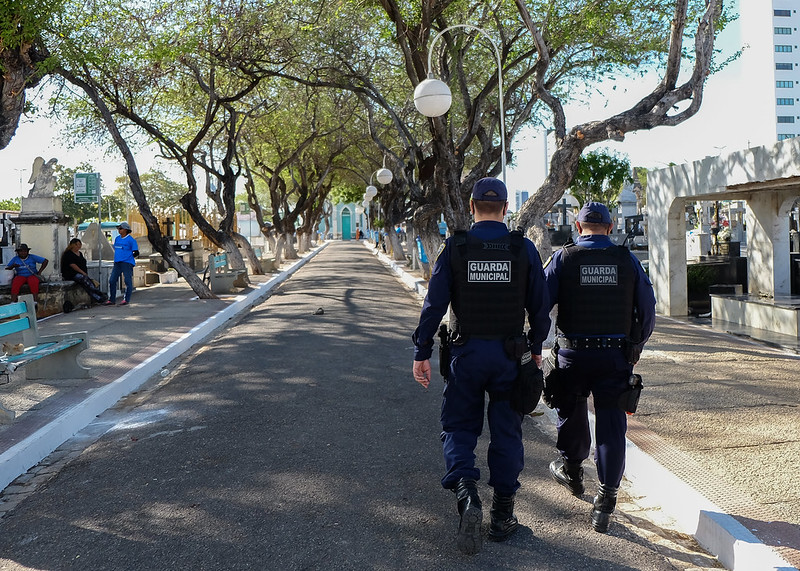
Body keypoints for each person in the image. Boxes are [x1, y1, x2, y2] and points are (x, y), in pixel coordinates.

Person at [411, 178, 550, 555]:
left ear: (472, 206)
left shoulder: (455, 248)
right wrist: (536, 349)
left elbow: (434, 304)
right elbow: (540, 306)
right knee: (507, 433)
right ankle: (503, 515)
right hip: (510, 357)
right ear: (506, 209)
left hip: (465, 356)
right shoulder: (523, 250)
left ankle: (467, 495)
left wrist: (421, 350)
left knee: (458, 426)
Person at [543, 201, 656, 533]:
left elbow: (540, 306)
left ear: (578, 228)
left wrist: (536, 347)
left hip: (572, 356)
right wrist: (636, 344)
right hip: (614, 358)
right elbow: (647, 309)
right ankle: (605, 501)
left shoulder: (564, 259)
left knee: (572, 412)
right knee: (611, 424)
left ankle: (573, 473)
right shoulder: (627, 260)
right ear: (610, 228)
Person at [61, 238, 107, 305]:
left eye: (80, 244)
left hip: (82, 273)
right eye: (77, 244)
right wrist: (82, 272)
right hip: (72, 274)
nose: (79, 246)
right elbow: (73, 265)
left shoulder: (80, 253)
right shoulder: (68, 254)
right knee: (85, 281)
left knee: (87, 284)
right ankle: (98, 293)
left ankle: (98, 297)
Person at [105, 222, 139, 306]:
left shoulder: (131, 240)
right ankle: (112, 299)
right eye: (118, 228)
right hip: (117, 262)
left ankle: (126, 299)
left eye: (120, 228)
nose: (119, 230)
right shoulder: (117, 239)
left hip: (127, 263)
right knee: (112, 280)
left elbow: (136, 252)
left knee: (127, 281)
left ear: (126, 230)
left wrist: (129, 257)